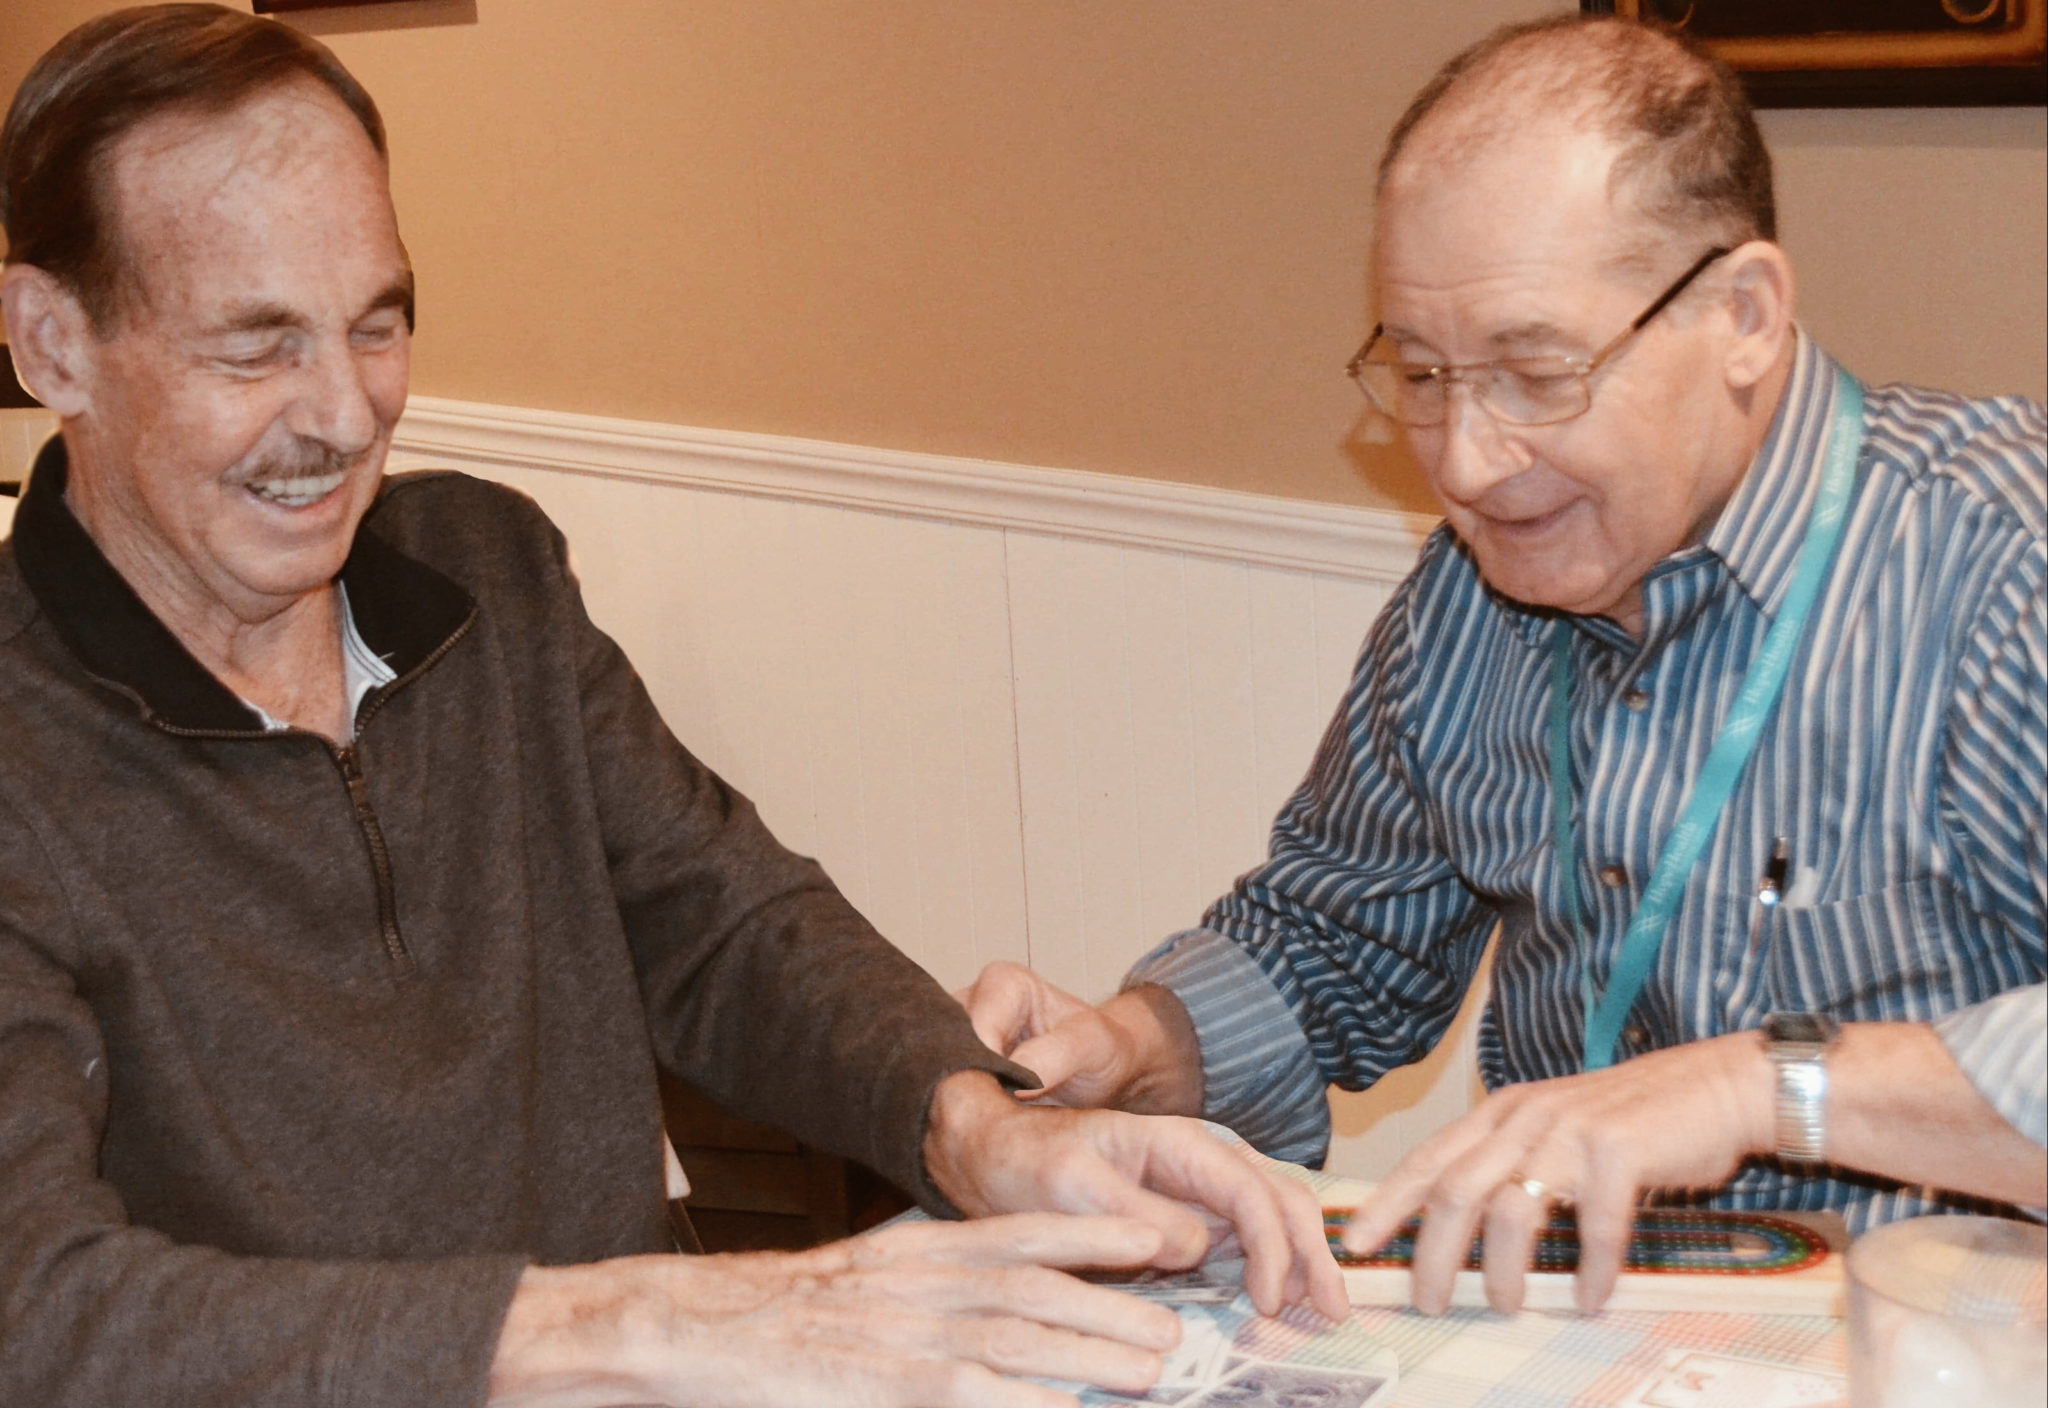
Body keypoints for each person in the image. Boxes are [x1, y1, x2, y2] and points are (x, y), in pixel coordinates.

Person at [0, 7, 1344, 1406]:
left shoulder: (487, 574)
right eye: (255, 347)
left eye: (378, 323)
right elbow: (40, 1311)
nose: (344, 413)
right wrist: (656, 1322)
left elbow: (725, 922)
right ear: (52, 344)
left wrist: (972, 1126)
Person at [964, 14, 2047, 1317]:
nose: (1468, 464)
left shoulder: (1999, 564)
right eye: (1421, 374)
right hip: (1586, 1337)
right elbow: (1331, 940)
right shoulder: (1479, 585)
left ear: (1745, 317)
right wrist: (1136, 1045)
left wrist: (1756, 1082)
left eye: (1538, 373)